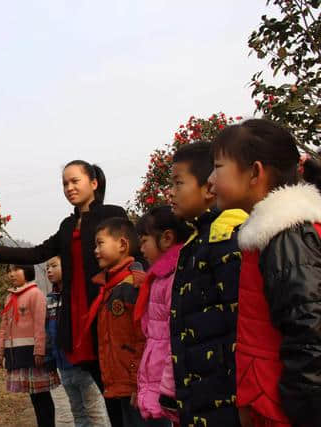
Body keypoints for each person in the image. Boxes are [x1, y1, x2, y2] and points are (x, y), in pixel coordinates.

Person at [0, 160, 128, 426]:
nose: (69, 187)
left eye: (75, 181)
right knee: (98, 392)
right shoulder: (67, 225)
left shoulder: (112, 215)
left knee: (117, 393)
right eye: (65, 183)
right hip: (75, 318)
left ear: (94, 183)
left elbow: (127, 252)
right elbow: (38, 252)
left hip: (104, 311)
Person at [209, 118, 321, 427]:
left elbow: (309, 334)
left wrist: (303, 411)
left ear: (255, 172)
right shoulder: (270, 236)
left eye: (218, 167)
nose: (210, 181)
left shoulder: (288, 236)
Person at [166, 141, 247, 426]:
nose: (171, 193)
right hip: (199, 394)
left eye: (178, 183)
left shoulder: (225, 238)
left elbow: (239, 322)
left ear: (209, 188)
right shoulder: (198, 239)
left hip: (225, 397)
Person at [85, 217, 156, 426]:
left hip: (137, 386)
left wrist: (137, 382)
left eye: (100, 243)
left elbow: (143, 338)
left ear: (123, 245)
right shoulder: (110, 288)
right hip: (124, 386)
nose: (95, 251)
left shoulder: (133, 286)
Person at [134, 206, 191, 425]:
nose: (141, 249)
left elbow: (172, 337)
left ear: (167, 238)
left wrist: (167, 388)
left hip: (171, 385)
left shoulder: (173, 277)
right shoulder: (158, 278)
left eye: (144, 240)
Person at [45, 256, 107, 427]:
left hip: (83, 366)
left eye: (54, 266)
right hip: (63, 367)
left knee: (95, 413)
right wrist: (49, 361)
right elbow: (48, 334)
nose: (49, 270)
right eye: (47, 267)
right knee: (77, 412)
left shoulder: (77, 295)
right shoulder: (50, 299)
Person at [0, 264, 60, 427]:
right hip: (18, 353)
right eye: (9, 271)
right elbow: (4, 325)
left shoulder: (35, 294)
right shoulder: (9, 297)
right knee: (34, 396)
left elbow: (40, 324)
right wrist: (1, 351)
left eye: (16, 270)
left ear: (27, 271)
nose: (11, 274)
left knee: (42, 397)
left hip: (33, 354)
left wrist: (40, 350)